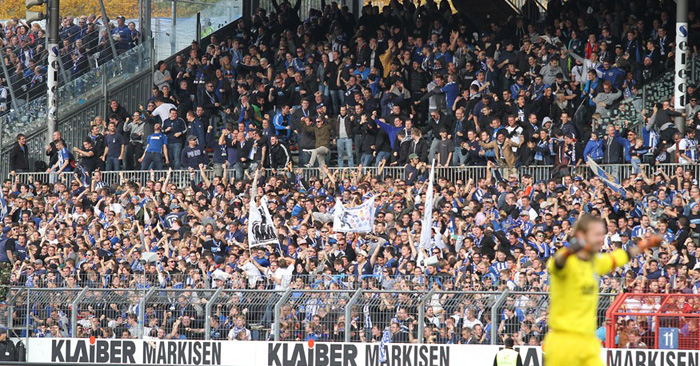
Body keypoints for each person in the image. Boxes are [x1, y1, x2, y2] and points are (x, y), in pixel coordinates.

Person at [544, 214, 661, 366]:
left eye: (602, 234)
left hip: (587, 342)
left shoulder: (595, 262)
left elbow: (621, 256)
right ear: (581, 236)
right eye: (597, 234)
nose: (601, 239)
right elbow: (557, 262)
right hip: (564, 343)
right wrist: (576, 245)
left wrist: (645, 244)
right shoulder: (565, 262)